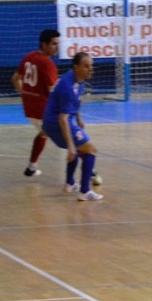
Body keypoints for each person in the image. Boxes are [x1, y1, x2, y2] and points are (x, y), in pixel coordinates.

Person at [42, 52, 102, 201]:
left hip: (51, 122)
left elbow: (75, 102)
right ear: (76, 67)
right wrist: (70, 146)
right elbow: (63, 119)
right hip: (57, 123)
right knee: (91, 150)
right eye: (86, 66)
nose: (90, 69)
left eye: (91, 66)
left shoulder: (77, 78)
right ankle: (85, 191)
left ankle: (70, 183)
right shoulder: (68, 87)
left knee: (80, 147)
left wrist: (78, 117)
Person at [13, 29, 61, 178]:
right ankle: (88, 174)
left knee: (43, 133)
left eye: (58, 44)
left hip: (29, 110)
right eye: (54, 44)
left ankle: (31, 167)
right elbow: (54, 93)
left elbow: (15, 78)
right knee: (71, 137)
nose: (57, 47)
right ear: (44, 45)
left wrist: (25, 95)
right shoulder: (47, 64)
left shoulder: (29, 57)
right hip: (43, 110)